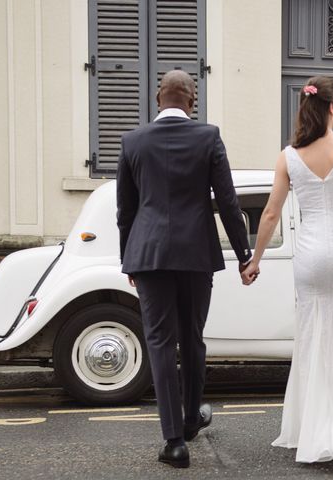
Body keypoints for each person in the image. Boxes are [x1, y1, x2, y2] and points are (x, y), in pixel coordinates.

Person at [116, 70, 253, 469]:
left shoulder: (132, 141)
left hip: (149, 255)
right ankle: (192, 417)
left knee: (159, 341)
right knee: (192, 337)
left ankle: (174, 442)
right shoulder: (208, 137)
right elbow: (228, 202)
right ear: (192, 101)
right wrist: (244, 255)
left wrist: (129, 258)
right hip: (196, 254)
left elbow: (125, 210)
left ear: (158, 98)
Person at [242, 76, 333, 464]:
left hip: (312, 255)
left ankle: (314, 431)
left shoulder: (288, 156)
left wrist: (255, 261)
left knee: (315, 339)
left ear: (305, 107)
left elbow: (270, 213)